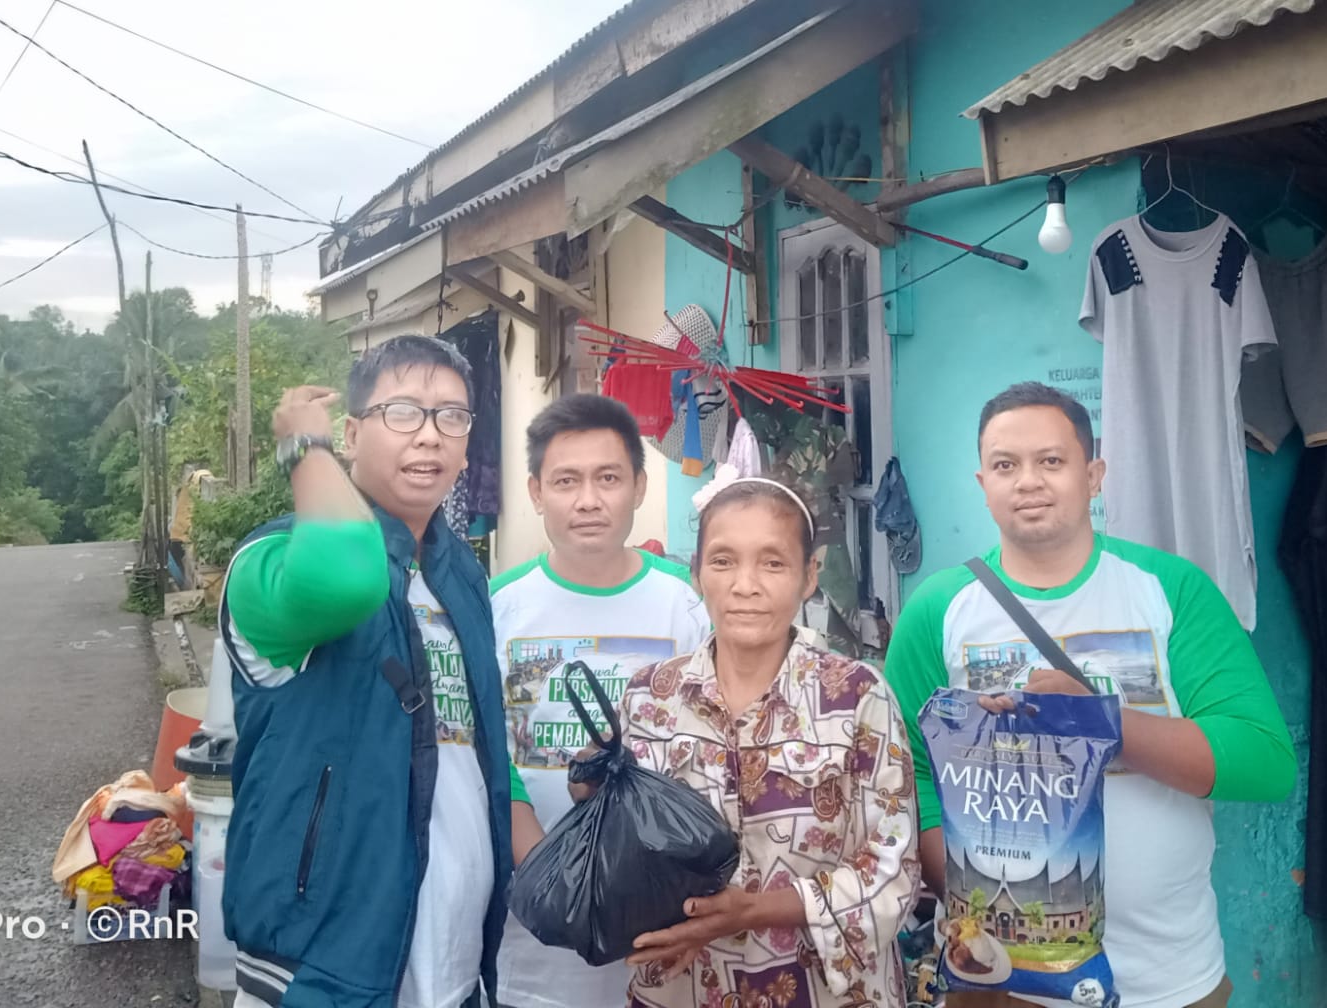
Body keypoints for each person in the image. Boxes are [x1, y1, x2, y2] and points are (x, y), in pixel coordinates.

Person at [883, 382, 1296, 1008]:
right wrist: (975, 898)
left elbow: (1264, 760)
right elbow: (906, 776)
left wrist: (1104, 724)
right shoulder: (937, 610)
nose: (1029, 481)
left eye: (1051, 460)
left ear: (1093, 476)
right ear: (983, 485)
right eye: (1005, 465)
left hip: (1166, 979)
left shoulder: (1171, 590)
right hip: (1000, 982)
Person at [221, 335, 542, 1008]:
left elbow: (475, 747)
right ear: (350, 433)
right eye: (402, 412)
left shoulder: (463, 577)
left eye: (451, 416)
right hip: (320, 974)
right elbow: (347, 576)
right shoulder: (273, 559)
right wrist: (303, 450)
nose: (429, 435)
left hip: (455, 965)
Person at [573, 477, 921, 1008]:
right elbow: (625, 853)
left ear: (809, 576)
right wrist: (590, 789)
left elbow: (894, 871)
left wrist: (752, 912)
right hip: (683, 990)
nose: (745, 585)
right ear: (696, 573)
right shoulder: (649, 697)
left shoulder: (856, 697)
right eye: (723, 561)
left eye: (773, 563)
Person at [492, 394, 710, 1008]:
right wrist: (552, 877)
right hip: (533, 949)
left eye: (608, 478)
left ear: (639, 487)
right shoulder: (496, 606)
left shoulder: (690, 603)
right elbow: (487, 755)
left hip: (668, 932)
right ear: (536, 492)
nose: (588, 500)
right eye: (566, 481)